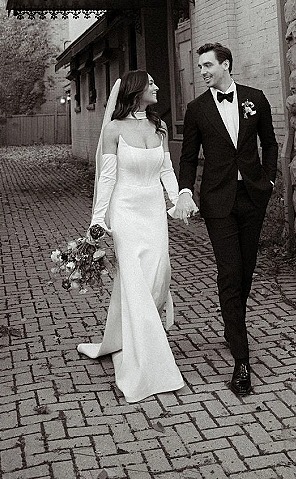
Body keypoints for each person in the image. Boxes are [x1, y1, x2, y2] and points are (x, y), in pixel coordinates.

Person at [77, 69, 197, 403]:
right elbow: (107, 178)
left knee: (158, 276)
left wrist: (178, 201)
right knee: (134, 281)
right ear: (136, 90)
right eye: (152, 83)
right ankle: (148, 365)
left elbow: (166, 170)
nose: (157, 86)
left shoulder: (158, 126)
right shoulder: (113, 130)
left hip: (153, 212)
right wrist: (98, 220)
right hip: (126, 212)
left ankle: (119, 337)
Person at [176, 43, 278, 396]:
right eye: (200, 66)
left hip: (252, 197)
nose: (202, 71)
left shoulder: (256, 98)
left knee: (246, 271)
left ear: (225, 65)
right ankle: (241, 359)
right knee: (230, 272)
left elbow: (271, 143)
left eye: (207, 65)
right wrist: (185, 191)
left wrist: (269, 180)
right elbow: (188, 158)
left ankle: (231, 325)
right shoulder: (196, 109)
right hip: (218, 202)